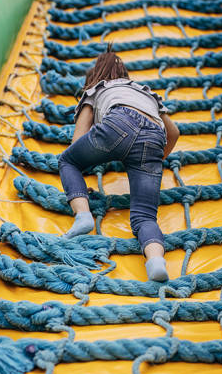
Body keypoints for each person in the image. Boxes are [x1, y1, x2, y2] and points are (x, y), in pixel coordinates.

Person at [57, 46, 179, 282]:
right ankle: (155, 261)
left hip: (118, 121)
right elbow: (173, 132)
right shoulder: (146, 93)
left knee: (68, 161)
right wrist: (153, 161)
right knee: (145, 217)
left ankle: (83, 216)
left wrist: (97, 155)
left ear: (95, 76)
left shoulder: (97, 88)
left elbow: (77, 142)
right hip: (154, 136)